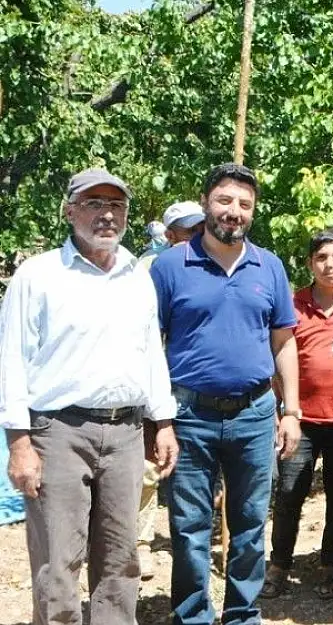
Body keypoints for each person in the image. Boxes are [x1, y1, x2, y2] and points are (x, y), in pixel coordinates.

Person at [0, 168, 179, 624]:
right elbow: (11, 360)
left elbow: (149, 354)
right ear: (70, 210)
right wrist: (19, 443)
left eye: (116, 205)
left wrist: (164, 421)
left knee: (121, 559)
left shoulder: (136, 276)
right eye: (94, 203)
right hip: (57, 433)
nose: (107, 215)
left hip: (124, 433)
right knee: (58, 561)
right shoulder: (39, 275)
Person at [150, 163, 303, 625]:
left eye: (244, 204)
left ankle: (242, 614)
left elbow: (284, 342)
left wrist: (291, 410)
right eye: (224, 201)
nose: (233, 212)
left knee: (251, 525)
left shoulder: (269, 266)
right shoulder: (169, 266)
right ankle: (193, 615)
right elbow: (149, 345)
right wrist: (160, 420)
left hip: (256, 415)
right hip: (190, 415)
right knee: (190, 527)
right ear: (205, 204)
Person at [262, 228, 333, 600]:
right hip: (299, 419)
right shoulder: (293, 304)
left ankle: (332, 564)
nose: (329, 265)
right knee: (289, 492)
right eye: (321, 258)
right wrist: (284, 408)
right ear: (310, 264)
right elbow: (278, 358)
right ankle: (279, 565)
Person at [136, 199, 209, 579]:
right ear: (170, 235)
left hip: (195, 388)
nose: (195, 237)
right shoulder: (152, 268)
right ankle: (141, 543)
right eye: (187, 231)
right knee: (149, 468)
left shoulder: (211, 265)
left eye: (200, 229)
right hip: (156, 383)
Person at [138, 200, 206, 270]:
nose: (201, 235)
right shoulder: (149, 265)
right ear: (170, 236)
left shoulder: (214, 260)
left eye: (204, 229)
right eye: (192, 230)